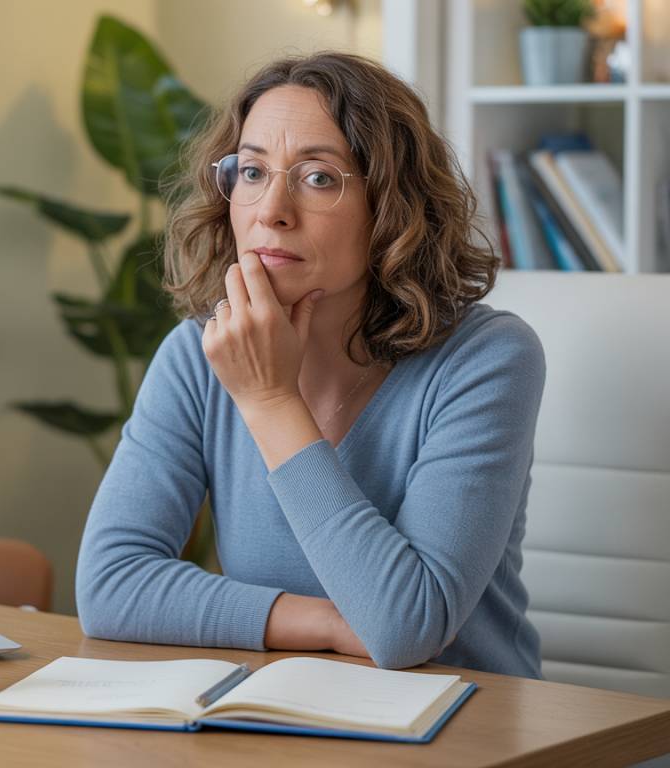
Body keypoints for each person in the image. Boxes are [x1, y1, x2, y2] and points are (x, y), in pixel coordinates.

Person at [75, 52, 545, 677]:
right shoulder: (196, 355)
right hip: (286, 714)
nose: (271, 210)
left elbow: (406, 630)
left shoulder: (486, 360)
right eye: (251, 172)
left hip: (471, 725)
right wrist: (326, 622)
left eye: (318, 177)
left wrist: (271, 402)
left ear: (392, 207)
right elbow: (110, 585)